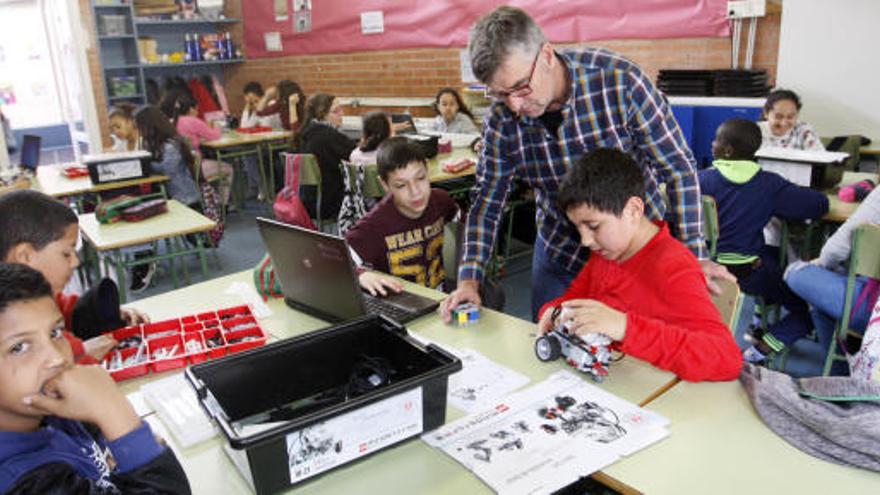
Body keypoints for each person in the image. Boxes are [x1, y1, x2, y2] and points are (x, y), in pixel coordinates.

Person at [441, 6, 730, 322]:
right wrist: (469, 279)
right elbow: (487, 200)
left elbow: (677, 169)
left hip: (634, 254)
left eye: (521, 87)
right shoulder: (502, 119)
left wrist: (693, 257)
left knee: (638, 353)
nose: (515, 105)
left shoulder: (620, 82)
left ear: (547, 55)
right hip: (561, 253)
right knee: (552, 348)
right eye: (500, 94)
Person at [537, 149, 742, 381]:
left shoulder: (673, 267)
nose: (585, 241)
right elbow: (571, 301)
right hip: (610, 382)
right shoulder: (608, 252)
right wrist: (554, 313)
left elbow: (726, 359)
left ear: (633, 210)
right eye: (579, 229)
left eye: (593, 227)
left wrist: (625, 328)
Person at [0, 263, 191, 494]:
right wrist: (116, 414)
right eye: (19, 347)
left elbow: (94, 439)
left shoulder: (48, 406)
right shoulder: (25, 482)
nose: (56, 358)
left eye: (55, 333)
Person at [699, 119, 828, 363]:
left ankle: (757, 321)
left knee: (768, 253)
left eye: (716, 140)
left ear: (727, 150)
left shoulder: (701, 180)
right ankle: (763, 347)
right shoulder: (769, 184)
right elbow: (818, 205)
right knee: (809, 308)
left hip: (707, 270)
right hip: (752, 273)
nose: (712, 143)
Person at [0, 190, 149, 364]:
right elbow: (32, 373)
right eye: (66, 253)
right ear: (25, 257)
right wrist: (79, 355)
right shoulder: (10, 318)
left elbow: (62, 307)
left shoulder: (32, 295)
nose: (75, 262)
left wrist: (105, 312)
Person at [785, 175, 880, 374]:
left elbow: (835, 250)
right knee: (836, 278)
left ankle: (839, 374)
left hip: (873, 315)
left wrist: (820, 265)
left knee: (797, 273)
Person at [345, 137, 459, 295]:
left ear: (427, 170)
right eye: (401, 185)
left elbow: (467, 224)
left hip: (441, 297)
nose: (415, 192)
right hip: (401, 306)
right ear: (385, 185)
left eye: (420, 178)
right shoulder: (373, 226)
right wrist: (361, 275)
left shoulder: (441, 201)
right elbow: (336, 264)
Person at [291, 93, 356, 221]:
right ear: (322, 114)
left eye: (341, 109)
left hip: (307, 201)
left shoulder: (304, 134)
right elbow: (356, 156)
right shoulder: (329, 136)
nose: (341, 114)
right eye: (336, 111)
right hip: (331, 203)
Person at [173, 93, 235, 204]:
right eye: (197, 110)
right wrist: (217, 126)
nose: (197, 113)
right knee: (228, 168)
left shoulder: (174, 121)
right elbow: (214, 136)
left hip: (183, 168)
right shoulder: (193, 121)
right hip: (196, 168)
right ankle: (223, 204)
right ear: (191, 108)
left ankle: (214, 201)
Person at [134, 105, 201, 208]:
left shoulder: (170, 145)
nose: (138, 131)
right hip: (173, 197)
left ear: (150, 126)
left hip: (185, 199)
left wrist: (144, 162)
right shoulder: (153, 143)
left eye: (139, 127)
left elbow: (167, 169)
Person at [759, 89, 824, 151]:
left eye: (790, 117)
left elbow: (820, 156)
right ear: (766, 113)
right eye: (778, 117)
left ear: (797, 114)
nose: (784, 123)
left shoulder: (804, 131)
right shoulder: (755, 131)